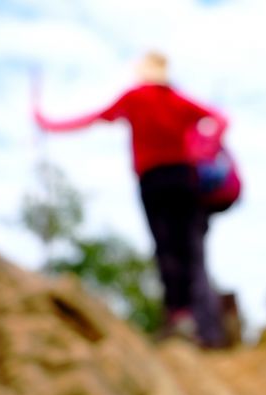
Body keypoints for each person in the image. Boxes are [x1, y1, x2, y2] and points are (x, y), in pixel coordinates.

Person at [34, 51, 228, 347]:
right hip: (183, 179)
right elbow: (220, 119)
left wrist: (47, 123)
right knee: (188, 248)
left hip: (152, 181)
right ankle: (196, 323)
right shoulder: (177, 99)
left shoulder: (134, 98)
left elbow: (92, 117)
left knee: (165, 247)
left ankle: (178, 317)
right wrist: (204, 149)